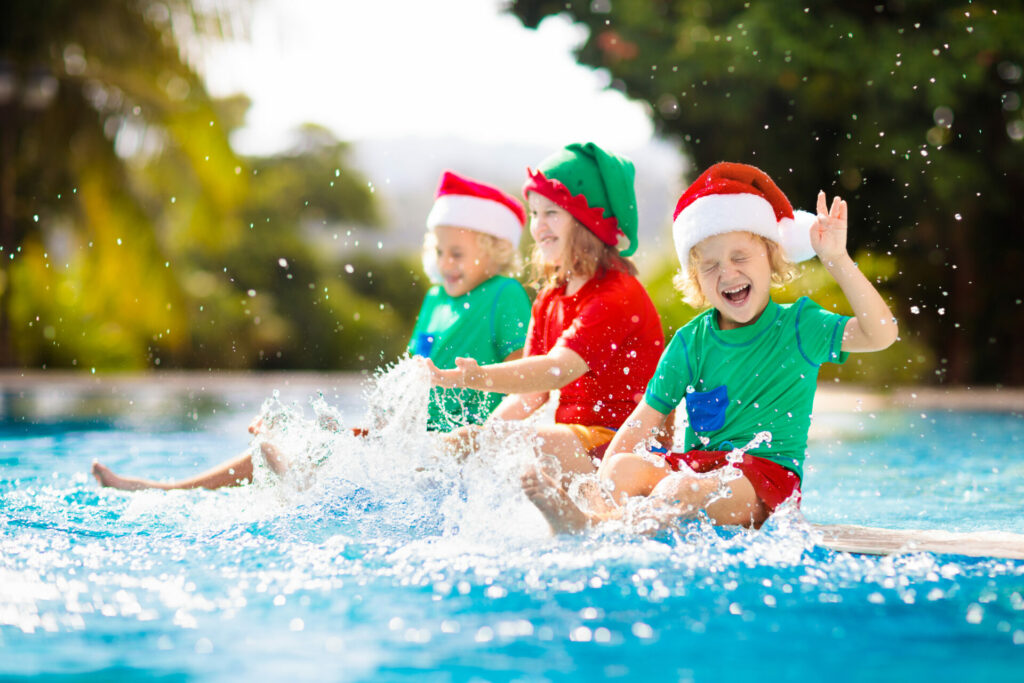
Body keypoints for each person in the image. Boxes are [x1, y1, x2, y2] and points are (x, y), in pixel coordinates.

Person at [92, 171, 532, 490]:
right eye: (439, 251)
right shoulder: (436, 298)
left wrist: (482, 439)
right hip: (407, 441)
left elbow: (525, 381)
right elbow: (410, 382)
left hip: (457, 446)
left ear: (495, 250)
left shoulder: (505, 294)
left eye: (457, 253)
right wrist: (370, 428)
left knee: (313, 458)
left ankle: (301, 481)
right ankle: (166, 491)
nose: (445, 262)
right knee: (291, 441)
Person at [521, 161, 899, 533]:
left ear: (771, 258)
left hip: (763, 483)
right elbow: (640, 423)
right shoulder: (691, 342)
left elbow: (880, 334)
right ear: (697, 281)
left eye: (739, 257)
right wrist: (604, 482)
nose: (727, 273)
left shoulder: (800, 326)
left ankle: (594, 528)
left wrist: (836, 259)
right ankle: (596, 520)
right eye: (710, 266)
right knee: (622, 467)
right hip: (696, 468)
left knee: (679, 488)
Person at [426, 142, 664, 485]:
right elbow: (530, 394)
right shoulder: (550, 296)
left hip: (626, 446)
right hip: (576, 441)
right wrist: (481, 437)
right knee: (472, 443)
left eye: (552, 213)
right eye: (534, 213)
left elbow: (555, 371)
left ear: (588, 222)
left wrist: (476, 377)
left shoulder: (617, 294)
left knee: (526, 444)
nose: (538, 226)